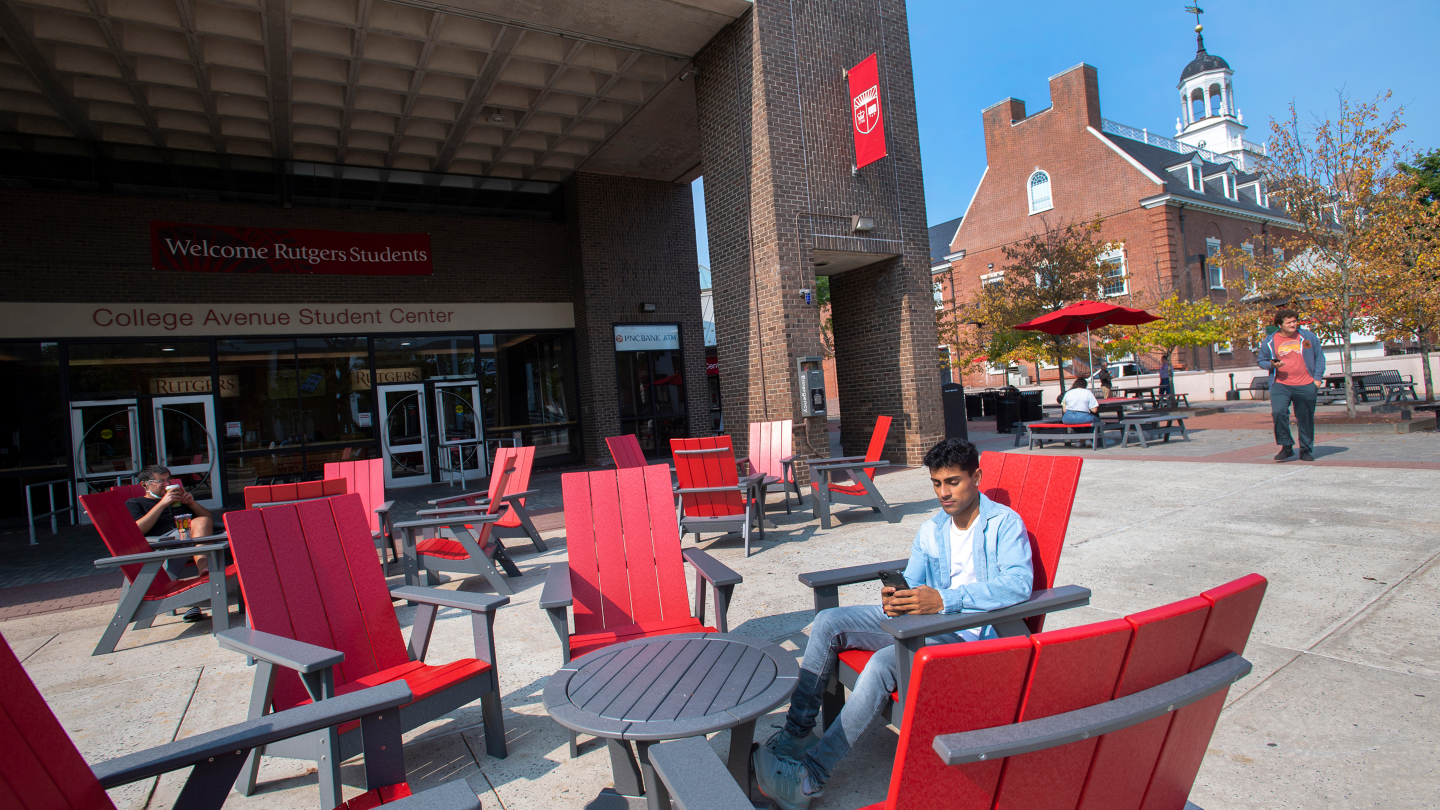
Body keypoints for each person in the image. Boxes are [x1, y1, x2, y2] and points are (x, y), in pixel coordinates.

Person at [752, 438, 1032, 809]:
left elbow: (1018, 584)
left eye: (953, 482)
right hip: (922, 622)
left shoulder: (1003, 524)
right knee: (828, 621)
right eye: (936, 483)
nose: (943, 493)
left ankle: (811, 777)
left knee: (885, 663)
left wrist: (946, 599)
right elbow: (914, 582)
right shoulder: (933, 529)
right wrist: (898, 597)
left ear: (976, 476)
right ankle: (796, 735)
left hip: (971, 638)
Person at [126, 465, 216, 622]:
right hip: (160, 544)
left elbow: (208, 519)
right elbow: (137, 530)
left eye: (168, 479)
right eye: (160, 481)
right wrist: (161, 504)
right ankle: (206, 571)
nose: (167, 484)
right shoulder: (136, 503)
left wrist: (191, 503)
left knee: (203, 521)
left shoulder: (178, 500)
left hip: (187, 540)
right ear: (145, 484)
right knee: (201, 524)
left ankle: (205, 574)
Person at [1257, 309, 1325, 462]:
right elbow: (1261, 360)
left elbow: (1319, 357)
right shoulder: (1270, 340)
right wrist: (1273, 364)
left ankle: (1306, 450)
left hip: (1306, 383)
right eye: (1289, 322)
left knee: (1305, 418)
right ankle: (1286, 446)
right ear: (1280, 324)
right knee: (1279, 412)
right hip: (1280, 384)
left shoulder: (1307, 337)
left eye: (1294, 321)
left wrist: (1317, 379)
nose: (1293, 324)